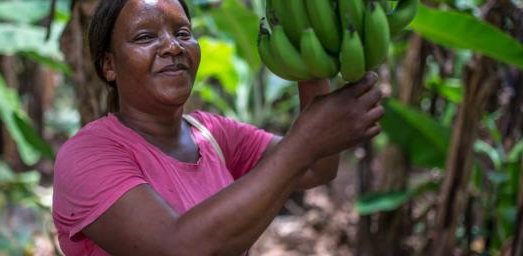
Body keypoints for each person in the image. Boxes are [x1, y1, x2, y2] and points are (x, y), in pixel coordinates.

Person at [52, 0, 384, 255]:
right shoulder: (86, 156)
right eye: (145, 37)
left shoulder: (212, 134)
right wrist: (305, 140)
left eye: (183, 34)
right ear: (109, 65)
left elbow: (315, 168)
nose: (173, 47)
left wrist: (311, 53)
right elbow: (177, 247)